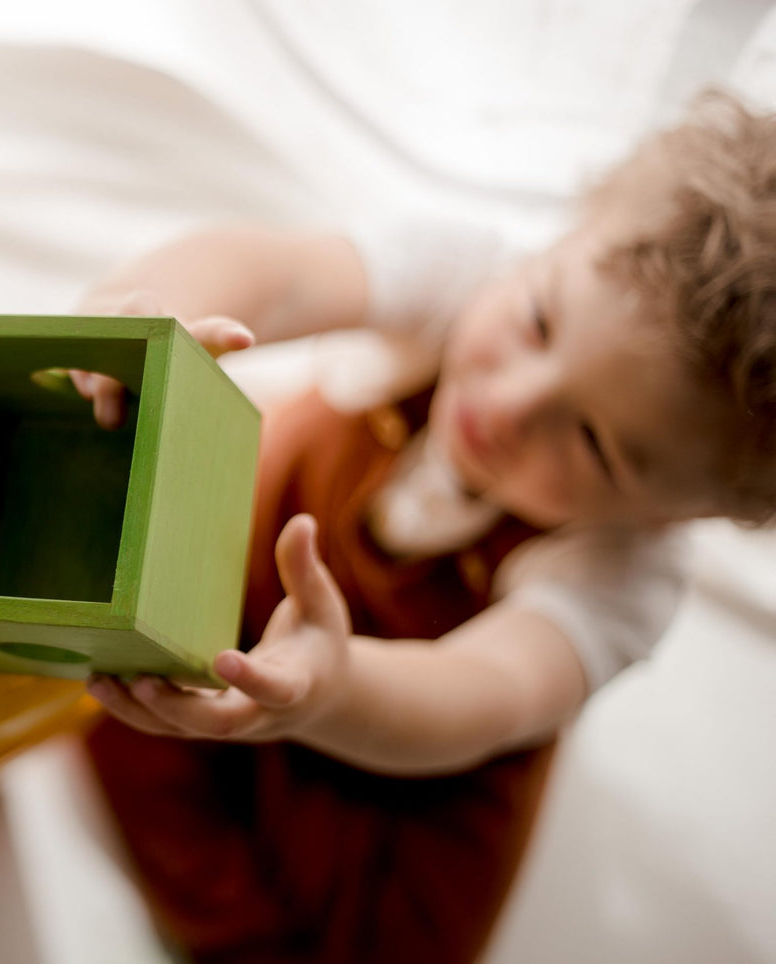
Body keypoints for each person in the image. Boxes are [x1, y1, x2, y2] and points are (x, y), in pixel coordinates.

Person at [69, 89, 776, 963]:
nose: (509, 404)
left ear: (677, 510)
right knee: (116, 720)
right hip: (254, 562)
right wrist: (154, 311)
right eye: (537, 321)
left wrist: (331, 691)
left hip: (395, 733)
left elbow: (484, 694)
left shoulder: (626, 574)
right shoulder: (465, 270)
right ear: (557, 241)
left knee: (369, 939)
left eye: (595, 444)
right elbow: (278, 270)